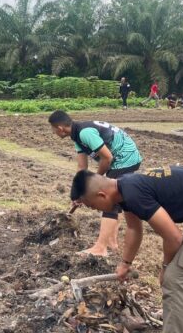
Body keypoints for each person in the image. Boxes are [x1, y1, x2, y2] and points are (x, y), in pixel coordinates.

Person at [70, 167, 183, 333]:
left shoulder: (133, 193)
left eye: (92, 206)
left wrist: (166, 267)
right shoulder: (124, 187)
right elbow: (133, 229)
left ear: (101, 195)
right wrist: (125, 263)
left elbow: (174, 238)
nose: (95, 210)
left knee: (177, 278)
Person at [48, 110, 142, 257]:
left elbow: (107, 158)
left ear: (60, 128)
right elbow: (82, 168)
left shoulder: (85, 133)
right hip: (117, 160)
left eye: (53, 130)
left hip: (124, 157)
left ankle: (101, 247)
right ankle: (112, 242)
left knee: (109, 198)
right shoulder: (77, 137)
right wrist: (79, 192)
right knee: (115, 200)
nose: (53, 133)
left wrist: (94, 182)